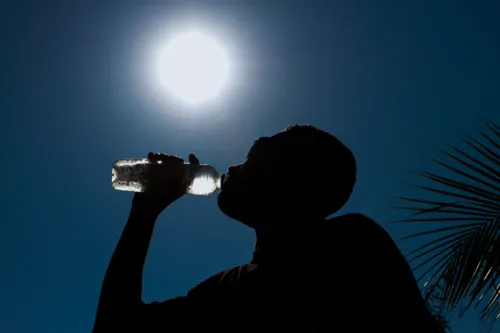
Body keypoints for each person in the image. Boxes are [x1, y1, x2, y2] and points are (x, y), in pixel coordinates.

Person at [93, 125, 439, 332]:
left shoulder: (356, 247)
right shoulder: (224, 289)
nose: (232, 167)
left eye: (254, 156)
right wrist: (144, 212)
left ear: (297, 179)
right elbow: (116, 328)